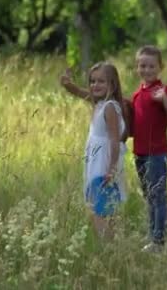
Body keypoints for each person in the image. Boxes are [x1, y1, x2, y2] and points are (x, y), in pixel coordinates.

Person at [60, 62, 128, 239]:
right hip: (96, 162)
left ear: (112, 85)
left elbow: (114, 139)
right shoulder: (98, 103)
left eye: (101, 81)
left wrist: (111, 168)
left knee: (99, 210)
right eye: (92, 81)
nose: (95, 85)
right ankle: (111, 248)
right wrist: (68, 84)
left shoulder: (110, 107)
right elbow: (79, 93)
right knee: (103, 207)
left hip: (104, 165)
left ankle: (108, 248)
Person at [130, 45, 167, 253]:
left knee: (158, 196)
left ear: (160, 67)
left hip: (157, 154)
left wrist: (165, 101)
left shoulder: (163, 91)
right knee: (149, 196)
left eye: (151, 66)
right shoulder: (137, 94)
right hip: (140, 153)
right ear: (137, 67)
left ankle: (158, 241)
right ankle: (154, 233)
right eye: (143, 65)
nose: (147, 70)